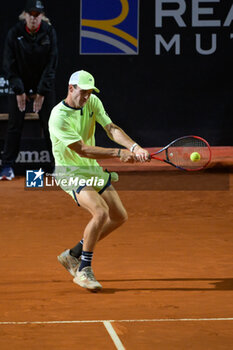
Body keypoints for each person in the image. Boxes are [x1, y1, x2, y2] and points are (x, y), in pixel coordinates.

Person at [49, 70, 149, 292]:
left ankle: (73, 255)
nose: (86, 97)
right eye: (82, 92)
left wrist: (134, 147)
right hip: (70, 171)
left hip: (92, 169)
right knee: (101, 212)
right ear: (71, 88)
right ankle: (84, 270)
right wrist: (117, 154)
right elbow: (82, 149)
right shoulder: (58, 116)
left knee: (119, 216)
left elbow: (111, 128)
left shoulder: (93, 101)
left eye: (89, 92)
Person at [0, 0, 58, 180]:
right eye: (30, 15)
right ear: (24, 16)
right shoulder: (14, 33)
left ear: (42, 16)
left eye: (37, 15)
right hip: (21, 84)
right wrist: (19, 90)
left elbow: (51, 65)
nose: (33, 18)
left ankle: (60, 166)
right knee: (14, 125)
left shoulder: (49, 32)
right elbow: (9, 65)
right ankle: (7, 166)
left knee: (51, 126)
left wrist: (41, 91)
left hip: (42, 85)